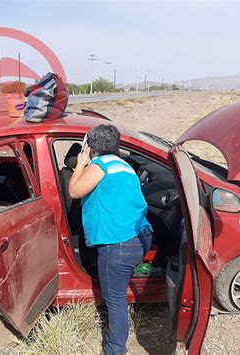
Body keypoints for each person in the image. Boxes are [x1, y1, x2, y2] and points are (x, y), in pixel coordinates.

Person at [68, 124, 153, 355]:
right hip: (139, 237)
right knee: (118, 291)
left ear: (91, 148)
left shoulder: (99, 166)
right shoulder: (124, 165)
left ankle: (115, 349)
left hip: (119, 245)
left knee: (115, 300)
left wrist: (80, 164)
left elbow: (74, 191)